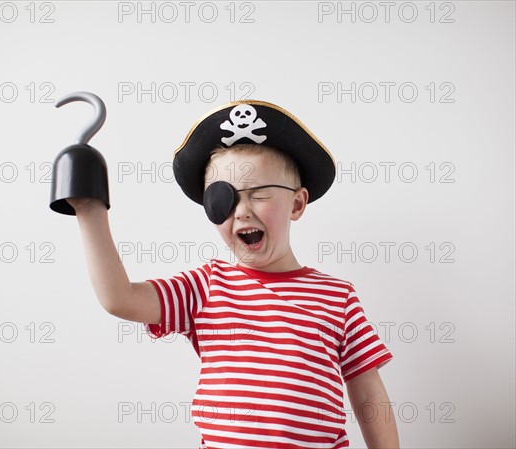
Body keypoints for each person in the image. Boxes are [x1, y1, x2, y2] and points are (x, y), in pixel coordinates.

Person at [67, 100, 399, 449]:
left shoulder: (337, 297)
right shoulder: (206, 287)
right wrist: (90, 211)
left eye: (259, 195)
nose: (241, 213)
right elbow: (120, 298)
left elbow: (368, 392)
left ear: (297, 204)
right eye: (224, 200)